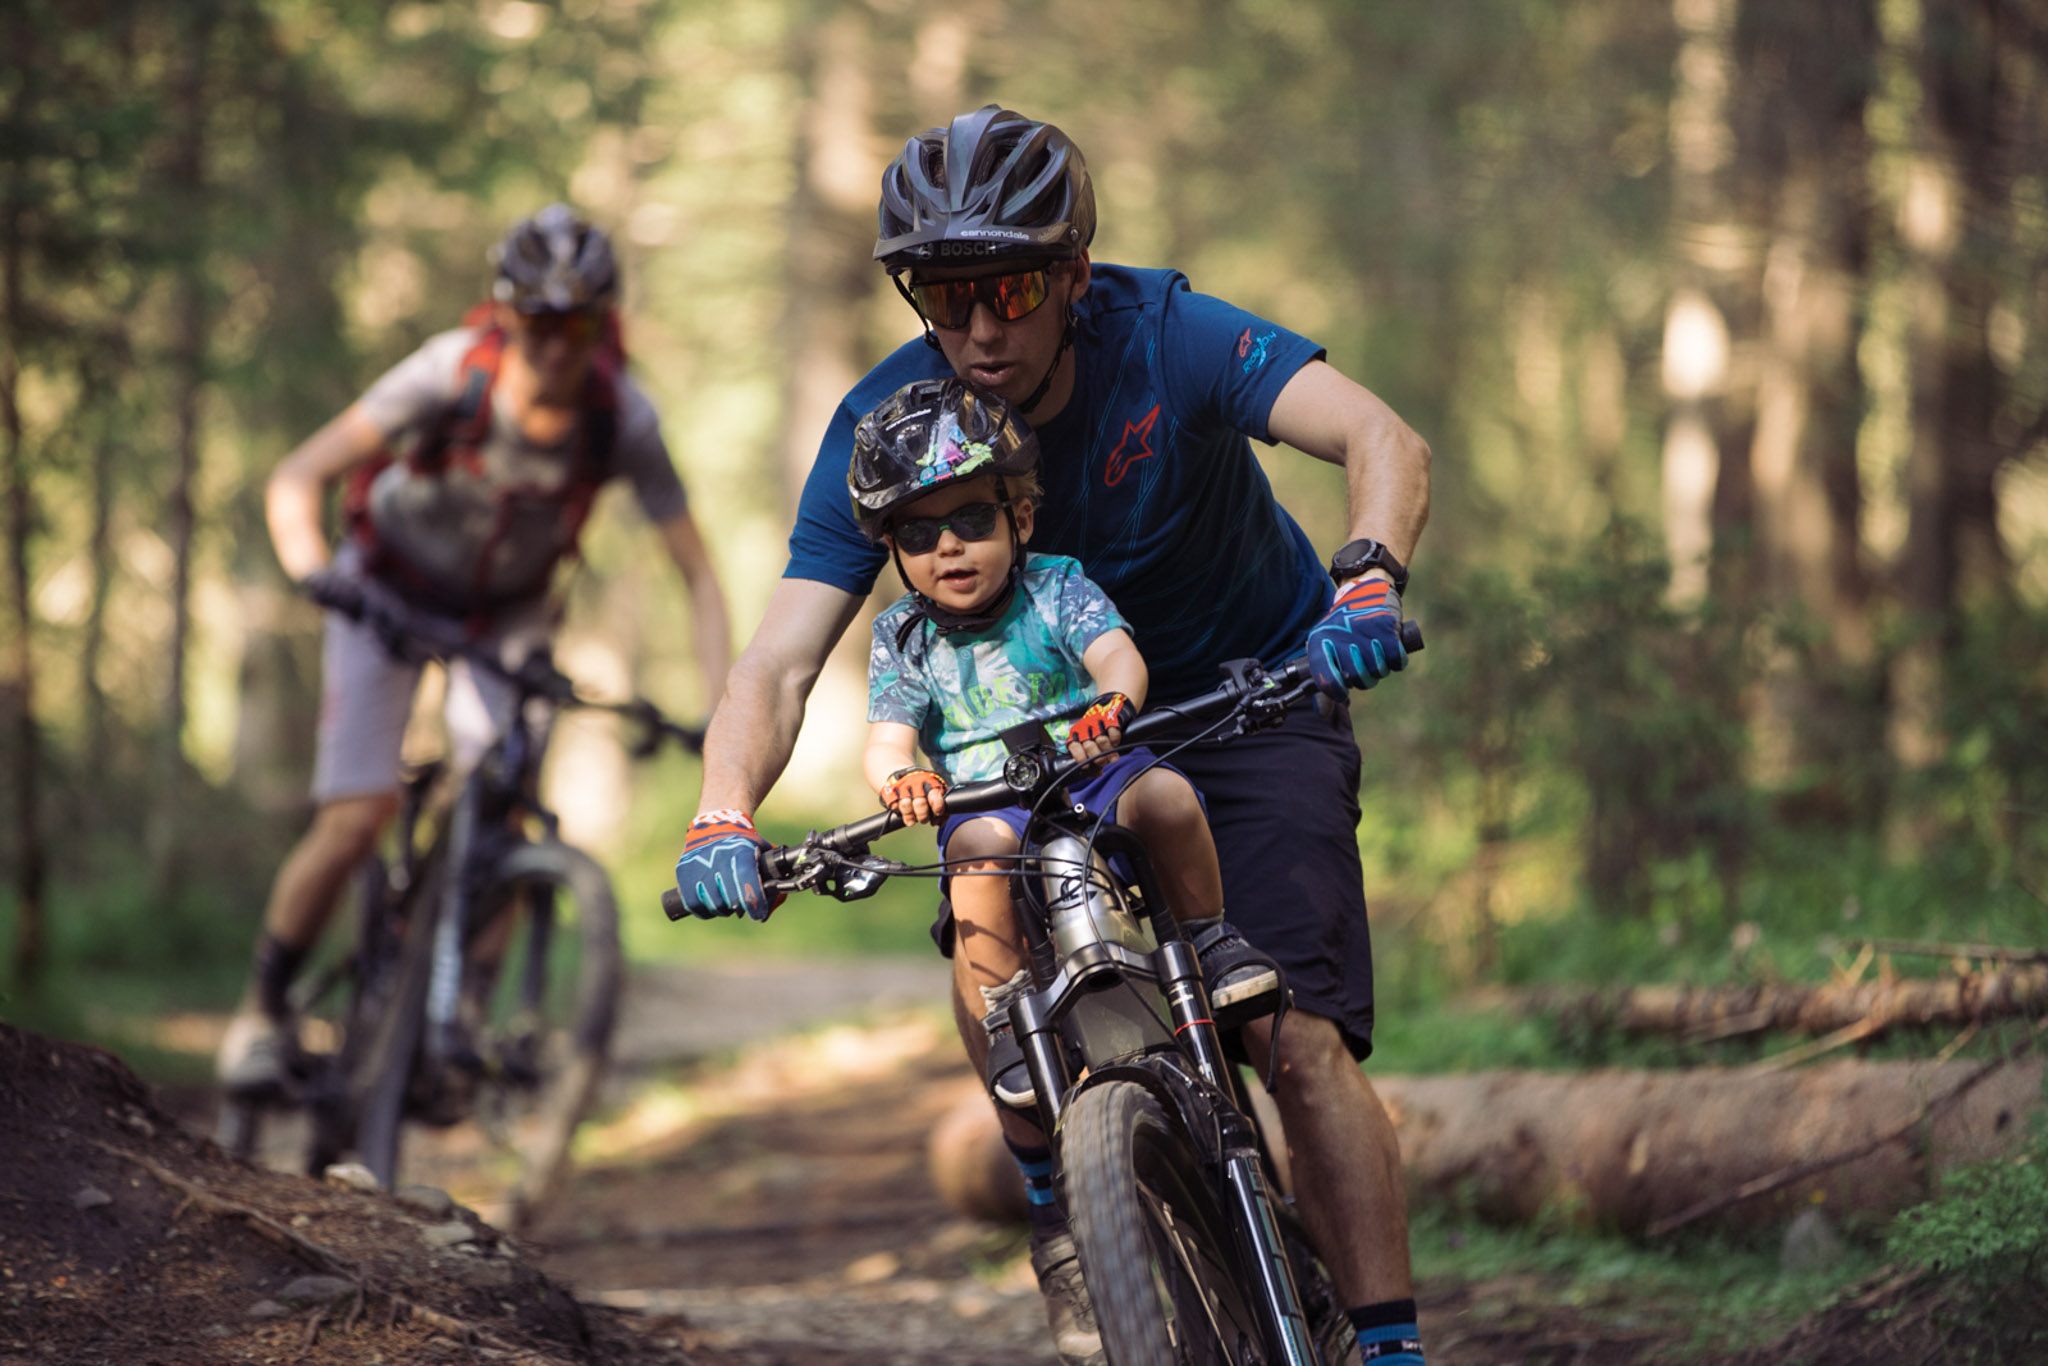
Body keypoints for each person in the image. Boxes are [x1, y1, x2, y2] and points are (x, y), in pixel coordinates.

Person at [673, 106, 1430, 1366]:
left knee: (1289, 1036)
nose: (977, 330)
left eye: (1011, 289)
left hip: (1246, 698)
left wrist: (1365, 580)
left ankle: (1392, 1348)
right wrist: (721, 810)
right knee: (985, 912)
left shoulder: (1169, 335)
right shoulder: (893, 423)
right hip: (1032, 749)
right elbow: (780, 660)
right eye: (943, 295)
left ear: (1074, 273)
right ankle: (1062, 1188)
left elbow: (1378, 437)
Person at [217, 204, 732, 1095]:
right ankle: (259, 1014)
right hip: (379, 588)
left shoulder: (622, 417)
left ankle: (456, 1021)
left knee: (504, 811)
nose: (555, 346)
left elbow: (698, 574)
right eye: (536, 322)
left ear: (602, 326)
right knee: (357, 815)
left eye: (576, 326)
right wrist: (314, 574)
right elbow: (297, 477)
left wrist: (722, 711)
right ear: (504, 315)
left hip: (506, 613)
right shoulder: (449, 373)